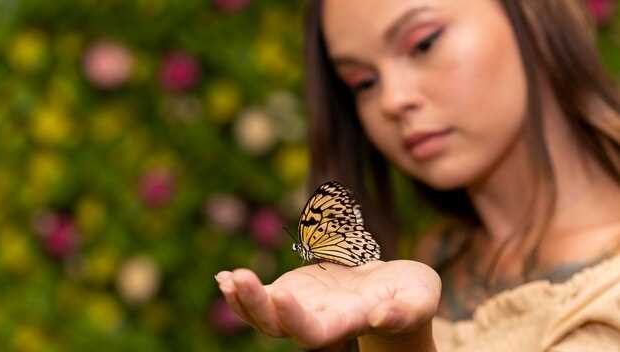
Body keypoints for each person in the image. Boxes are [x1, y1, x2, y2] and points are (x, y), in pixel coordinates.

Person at [215, 0, 620, 350]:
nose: (392, 100)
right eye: (363, 82)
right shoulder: (435, 258)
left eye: (423, 43)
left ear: (529, 12)